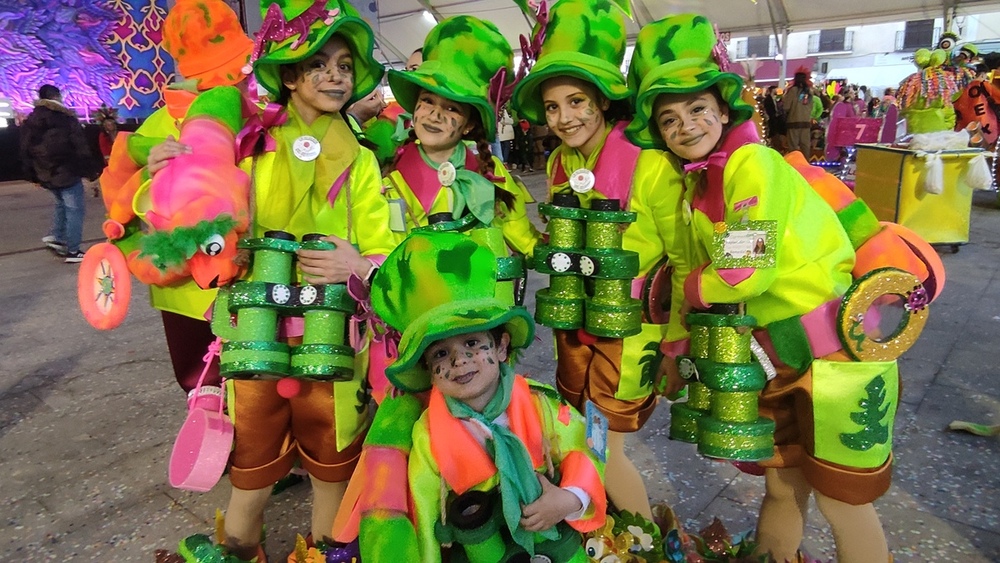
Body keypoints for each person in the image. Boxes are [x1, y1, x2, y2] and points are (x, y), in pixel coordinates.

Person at [627, 13, 911, 563]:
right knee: (783, 486)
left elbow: (744, 267)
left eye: (697, 110)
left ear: (723, 111)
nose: (685, 125)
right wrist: (676, 347)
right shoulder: (699, 185)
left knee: (842, 500)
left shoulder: (750, 162)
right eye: (669, 119)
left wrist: (692, 291)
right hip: (774, 356)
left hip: (836, 357)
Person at [153, 1, 395, 561]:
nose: (335, 76)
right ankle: (241, 550)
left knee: (332, 470)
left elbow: (383, 243)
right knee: (250, 469)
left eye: (344, 66)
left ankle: (325, 552)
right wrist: (173, 175)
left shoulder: (359, 159)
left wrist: (358, 265)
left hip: (334, 341)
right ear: (289, 75)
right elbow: (196, 224)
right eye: (320, 65)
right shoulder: (246, 145)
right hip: (252, 339)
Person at [512, 0, 698, 520]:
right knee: (582, 431)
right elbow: (557, 244)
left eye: (576, 102)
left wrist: (677, 343)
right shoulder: (558, 162)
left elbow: (685, 261)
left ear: (602, 100)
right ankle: (611, 530)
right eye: (552, 107)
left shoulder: (652, 166)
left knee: (602, 446)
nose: (564, 117)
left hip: (632, 332)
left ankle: (649, 542)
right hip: (574, 326)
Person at [369, 231, 607, 562]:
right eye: (440, 353)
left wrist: (570, 499)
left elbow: (587, 445)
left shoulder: (542, 405)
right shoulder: (428, 435)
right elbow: (423, 511)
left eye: (471, 343)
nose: (458, 361)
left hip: (555, 541)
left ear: (501, 347)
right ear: (427, 369)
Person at [381, 15, 540, 256]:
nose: (435, 115)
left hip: (479, 291)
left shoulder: (492, 175)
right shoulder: (387, 178)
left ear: (468, 125)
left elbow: (522, 238)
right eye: (427, 100)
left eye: (452, 108)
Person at [19, 84, 101, 262]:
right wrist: (91, 173)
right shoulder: (66, 118)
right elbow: (80, 147)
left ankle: (56, 235)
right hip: (67, 171)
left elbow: (25, 149)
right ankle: (73, 250)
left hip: (45, 173)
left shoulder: (31, 120)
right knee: (75, 210)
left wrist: (32, 175)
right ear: (57, 96)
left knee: (61, 204)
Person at [782, 68, 814, 156]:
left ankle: (795, 165)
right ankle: (806, 165)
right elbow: (811, 107)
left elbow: (786, 106)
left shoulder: (793, 90)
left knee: (793, 147)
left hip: (793, 122)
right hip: (806, 122)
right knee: (805, 146)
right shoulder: (809, 92)